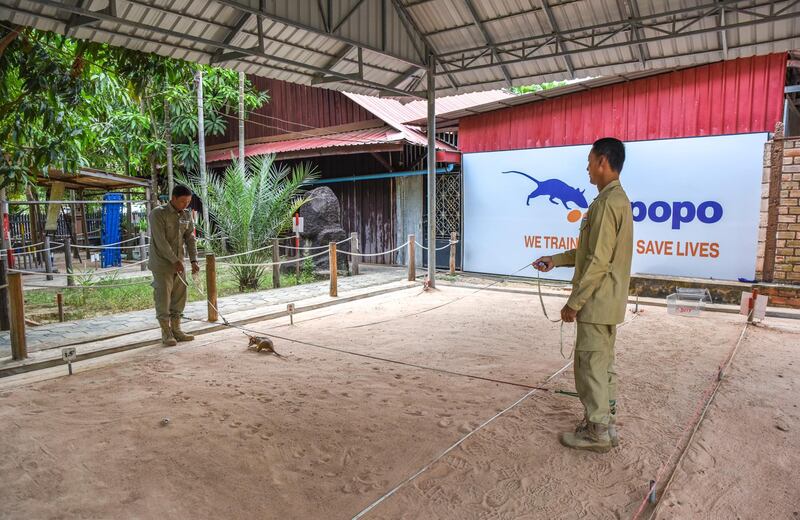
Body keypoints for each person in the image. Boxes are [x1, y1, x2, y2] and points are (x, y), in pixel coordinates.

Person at [533, 137, 633, 453]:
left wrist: (573, 304)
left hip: (596, 302)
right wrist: (556, 259)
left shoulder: (605, 205)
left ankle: (596, 432)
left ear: (603, 161)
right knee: (603, 364)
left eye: (590, 161)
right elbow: (589, 251)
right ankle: (607, 424)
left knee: (589, 366)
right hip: (610, 302)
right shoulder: (617, 201)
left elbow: (597, 262)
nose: (587, 168)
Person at [148, 184, 200, 346]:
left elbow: (190, 238)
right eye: (183, 201)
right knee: (163, 298)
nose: (186, 205)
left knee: (179, 297)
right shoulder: (158, 214)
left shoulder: (186, 215)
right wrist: (174, 260)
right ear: (174, 198)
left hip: (179, 264)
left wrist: (193, 261)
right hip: (162, 264)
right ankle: (166, 333)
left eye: (188, 202)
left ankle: (177, 330)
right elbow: (161, 242)